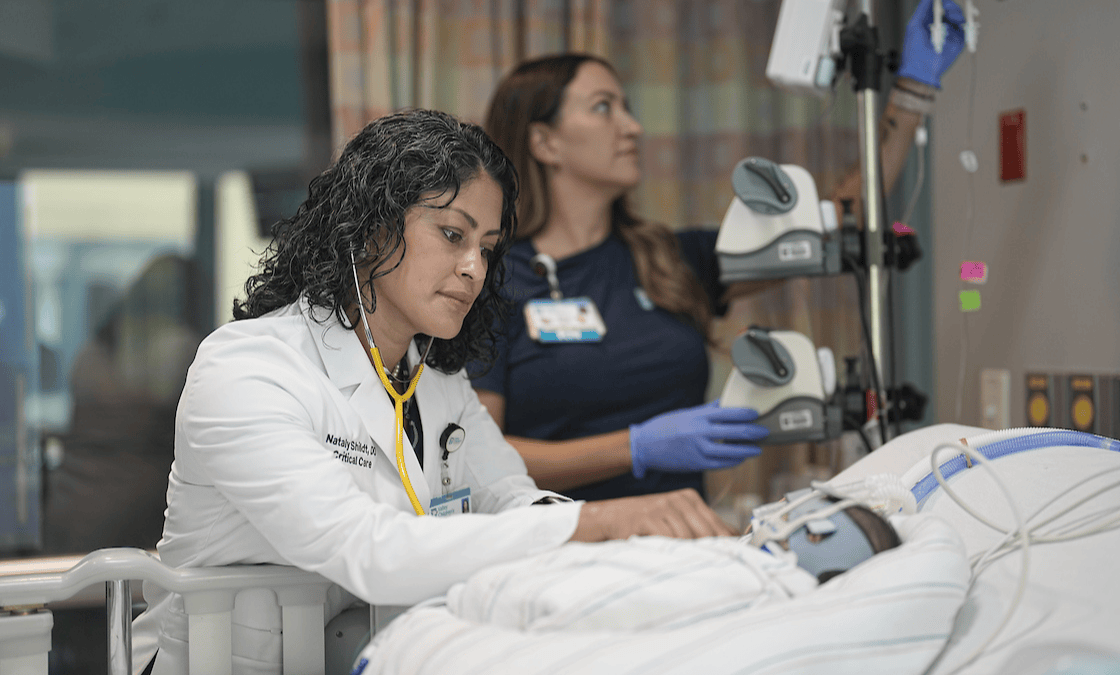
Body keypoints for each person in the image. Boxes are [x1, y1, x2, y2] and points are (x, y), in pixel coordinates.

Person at [131, 108, 734, 675]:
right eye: (452, 234)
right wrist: (593, 523)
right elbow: (365, 548)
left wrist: (624, 538)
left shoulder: (439, 381)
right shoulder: (249, 369)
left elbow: (509, 497)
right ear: (369, 229)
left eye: (487, 248)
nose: (475, 268)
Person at [472, 0, 968, 501]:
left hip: (685, 536)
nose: (632, 126)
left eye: (627, 107)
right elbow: (479, 461)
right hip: (561, 542)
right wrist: (635, 448)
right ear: (545, 142)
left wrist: (911, 94)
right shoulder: (491, 283)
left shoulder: (668, 261)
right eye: (604, 107)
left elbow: (838, 219)